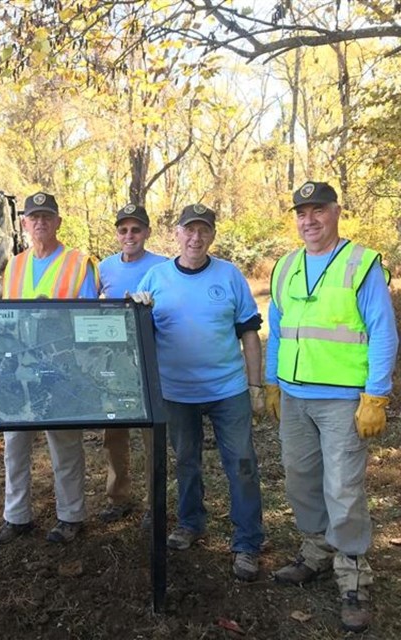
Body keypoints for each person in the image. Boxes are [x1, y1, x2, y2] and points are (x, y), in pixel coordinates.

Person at [265, 181, 398, 633]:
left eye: (318, 210)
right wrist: (271, 385)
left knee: (343, 486)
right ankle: (316, 551)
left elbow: (382, 331)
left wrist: (376, 395)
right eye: (302, 212)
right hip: (295, 396)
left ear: (336, 212)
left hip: (343, 400)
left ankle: (353, 572)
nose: (309, 220)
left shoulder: (360, 264)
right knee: (301, 478)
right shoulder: (285, 267)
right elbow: (278, 331)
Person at [135, 203, 265, 582]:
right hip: (175, 392)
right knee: (186, 461)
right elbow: (137, 331)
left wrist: (256, 387)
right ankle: (191, 523)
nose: (195, 237)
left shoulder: (229, 276)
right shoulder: (155, 278)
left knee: (241, 464)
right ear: (176, 233)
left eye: (203, 230)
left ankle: (248, 543)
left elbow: (249, 334)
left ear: (212, 235)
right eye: (188, 230)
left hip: (227, 389)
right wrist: (138, 308)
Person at [0, 191, 99, 546]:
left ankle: (71, 516)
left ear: (58, 222)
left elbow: (89, 320)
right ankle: (16, 517)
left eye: (47, 217)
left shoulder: (79, 263)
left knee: (64, 445)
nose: (40, 223)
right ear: (24, 223)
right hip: (19, 366)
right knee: (14, 447)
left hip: (61, 369)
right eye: (33, 217)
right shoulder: (15, 264)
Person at [97, 203, 166, 527]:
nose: (129, 236)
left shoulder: (163, 266)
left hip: (153, 360)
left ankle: (156, 504)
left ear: (147, 233)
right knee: (115, 434)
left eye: (136, 229)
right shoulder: (105, 268)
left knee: (152, 435)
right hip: (116, 362)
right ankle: (118, 497)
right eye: (123, 230)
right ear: (117, 234)